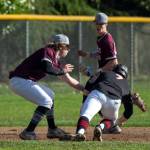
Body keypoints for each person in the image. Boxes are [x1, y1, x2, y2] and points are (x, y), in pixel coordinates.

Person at [9, 34, 86, 140]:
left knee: (50, 95)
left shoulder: (55, 60)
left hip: (24, 81)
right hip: (20, 80)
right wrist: (62, 71)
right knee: (46, 101)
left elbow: (69, 80)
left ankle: (52, 129)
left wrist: (85, 89)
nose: (68, 49)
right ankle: (28, 131)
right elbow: (48, 69)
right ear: (60, 46)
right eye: (67, 47)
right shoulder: (48, 51)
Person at [62, 64, 145, 141]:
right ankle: (100, 127)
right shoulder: (126, 85)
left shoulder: (106, 73)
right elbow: (129, 111)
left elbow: (91, 80)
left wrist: (86, 95)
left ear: (114, 70)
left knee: (86, 115)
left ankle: (79, 133)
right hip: (114, 101)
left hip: (98, 93)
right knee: (111, 120)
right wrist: (118, 122)